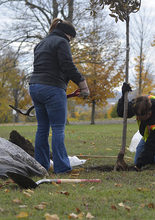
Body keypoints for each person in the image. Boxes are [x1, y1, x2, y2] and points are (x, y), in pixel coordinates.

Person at [29, 18, 90, 174]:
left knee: (42, 128)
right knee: (57, 129)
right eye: (71, 38)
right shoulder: (62, 42)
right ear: (67, 34)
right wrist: (83, 84)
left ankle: (40, 166)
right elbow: (68, 65)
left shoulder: (41, 43)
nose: (70, 41)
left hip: (35, 87)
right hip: (52, 88)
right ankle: (62, 167)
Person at [117, 83, 155, 171]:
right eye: (137, 117)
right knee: (137, 160)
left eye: (141, 118)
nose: (139, 119)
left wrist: (138, 167)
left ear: (149, 113)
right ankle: (153, 157)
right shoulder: (137, 105)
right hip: (146, 138)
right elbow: (122, 112)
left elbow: (151, 145)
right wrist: (123, 95)